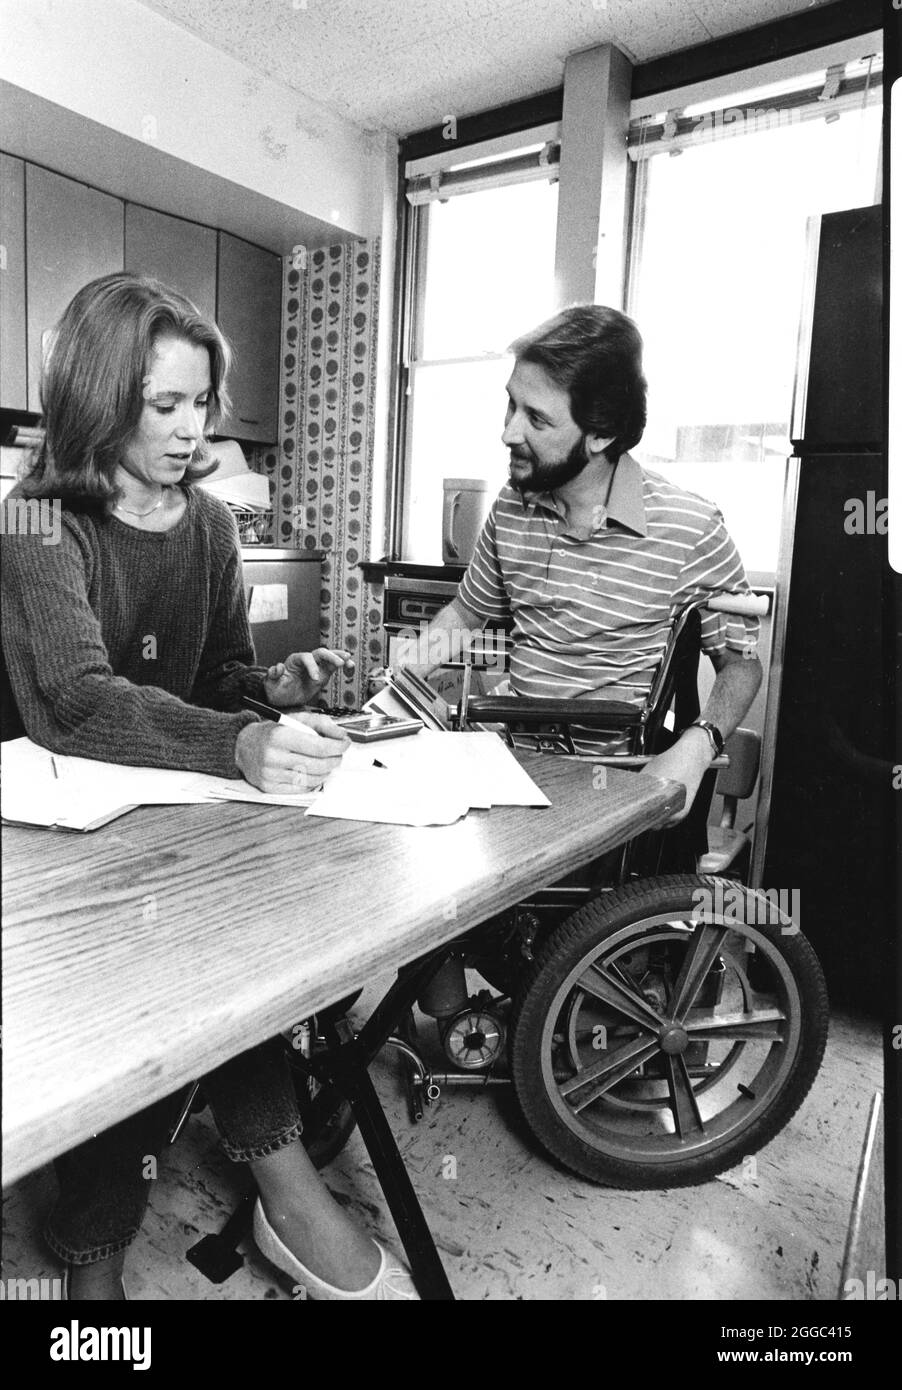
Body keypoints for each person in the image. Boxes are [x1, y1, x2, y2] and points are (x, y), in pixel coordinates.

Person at [0, 272, 417, 1300]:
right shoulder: (35, 524)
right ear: (102, 398)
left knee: (229, 972)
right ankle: (102, 1254)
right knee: (131, 1004)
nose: (194, 432)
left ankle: (268, 1199)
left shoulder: (214, 528)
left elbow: (215, 675)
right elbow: (75, 700)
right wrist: (237, 742)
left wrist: (269, 688)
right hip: (54, 846)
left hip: (167, 818)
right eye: (165, 405)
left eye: (201, 404)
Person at [411, 304, 763, 822]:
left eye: (536, 418)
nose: (508, 433)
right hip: (514, 777)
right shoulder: (513, 505)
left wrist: (699, 743)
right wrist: (398, 686)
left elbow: (741, 666)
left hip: (611, 794)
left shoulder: (692, 530)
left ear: (600, 434)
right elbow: (466, 616)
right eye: (510, 406)